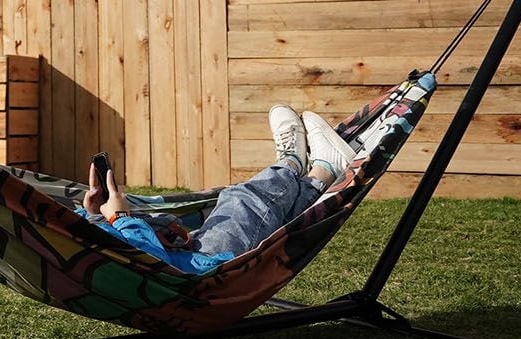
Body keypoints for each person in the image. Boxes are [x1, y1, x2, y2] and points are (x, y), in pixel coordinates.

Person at [79, 105, 356, 275]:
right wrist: (121, 218)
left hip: (185, 264)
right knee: (242, 202)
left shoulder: (43, 236)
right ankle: (292, 162)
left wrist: (94, 216)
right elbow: (146, 264)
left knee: (270, 224)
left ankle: (322, 173)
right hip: (199, 274)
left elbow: (100, 253)